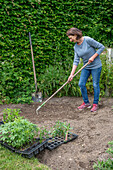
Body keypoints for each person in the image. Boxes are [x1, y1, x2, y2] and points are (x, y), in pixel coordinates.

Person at [66, 27, 105, 112]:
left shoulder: (87, 40)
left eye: (71, 38)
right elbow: (76, 61)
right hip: (86, 67)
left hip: (96, 66)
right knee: (81, 84)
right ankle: (86, 103)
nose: (70, 40)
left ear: (75, 35)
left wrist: (93, 57)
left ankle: (95, 104)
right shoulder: (76, 47)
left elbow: (101, 47)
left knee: (95, 85)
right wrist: (71, 74)